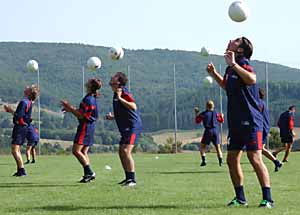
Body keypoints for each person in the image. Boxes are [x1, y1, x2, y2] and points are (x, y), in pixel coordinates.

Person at [207, 37, 274, 208]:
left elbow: (252, 79)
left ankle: (268, 199)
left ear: (241, 50)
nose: (230, 40)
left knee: (255, 158)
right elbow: (227, 86)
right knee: (231, 159)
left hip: (251, 121)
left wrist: (234, 64)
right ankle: (240, 198)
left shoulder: (242, 63)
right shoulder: (231, 68)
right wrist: (214, 74)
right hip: (236, 122)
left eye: (236, 41)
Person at [61, 78, 102, 183]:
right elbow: (82, 112)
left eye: (89, 81)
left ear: (91, 85)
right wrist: (70, 109)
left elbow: (80, 114)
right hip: (90, 126)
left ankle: (90, 172)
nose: (87, 81)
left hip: (85, 126)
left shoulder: (88, 99)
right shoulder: (92, 98)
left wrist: (69, 107)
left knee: (76, 151)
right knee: (83, 151)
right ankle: (87, 175)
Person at [106, 72, 142, 187]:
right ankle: (127, 178)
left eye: (113, 80)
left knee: (126, 151)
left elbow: (133, 106)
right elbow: (124, 112)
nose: (111, 82)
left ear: (119, 83)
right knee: (121, 152)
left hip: (133, 127)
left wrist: (121, 98)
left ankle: (132, 180)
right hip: (125, 127)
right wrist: (113, 117)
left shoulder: (124, 93)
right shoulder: (116, 93)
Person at [4, 85, 39, 177]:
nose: (25, 88)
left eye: (27, 88)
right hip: (23, 127)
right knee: (17, 149)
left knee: (14, 150)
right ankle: (20, 169)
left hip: (20, 127)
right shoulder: (29, 102)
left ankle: (22, 170)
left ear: (29, 92)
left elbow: (18, 116)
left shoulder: (24, 102)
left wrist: (10, 110)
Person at [258, 88, 282, 172]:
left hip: (261, 129)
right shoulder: (262, 103)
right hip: (264, 128)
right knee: (260, 149)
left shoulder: (259, 103)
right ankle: (276, 162)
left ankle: (276, 162)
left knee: (259, 149)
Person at [194, 100, 224, 167]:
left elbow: (197, 121)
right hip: (215, 131)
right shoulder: (216, 113)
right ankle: (221, 162)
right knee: (218, 148)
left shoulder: (204, 114)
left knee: (202, 147)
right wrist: (222, 116)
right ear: (213, 106)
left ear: (206, 106)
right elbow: (221, 121)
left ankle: (204, 161)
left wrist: (196, 113)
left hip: (208, 131)